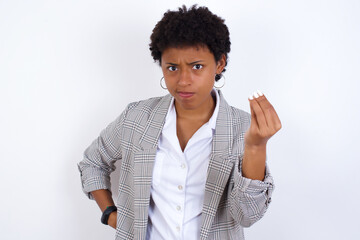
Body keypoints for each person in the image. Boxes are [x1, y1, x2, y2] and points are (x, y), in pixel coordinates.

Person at [78, 5, 281, 240]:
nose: (183, 80)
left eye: (197, 66)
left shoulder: (243, 127)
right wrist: (110, 214)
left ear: (219, 63)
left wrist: (256, 146)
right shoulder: (136, 117)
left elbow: (247, 215)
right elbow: (92, 162)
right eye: (172, 68)